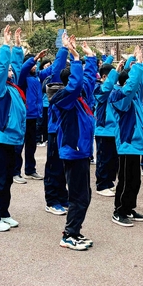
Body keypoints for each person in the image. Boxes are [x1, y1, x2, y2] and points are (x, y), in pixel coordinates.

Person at [51, 40, 96, 250]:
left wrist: (90, 57)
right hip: (73, 153)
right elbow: (77, 84)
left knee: (84, 196)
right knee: (78, 197)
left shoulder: (79, 98)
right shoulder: (63, 98)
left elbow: (86, 82)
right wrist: (76, 60)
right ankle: (69, 235)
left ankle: (75, 232)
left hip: (82, 153)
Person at [0, 26, 27, 232]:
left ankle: (3, 212)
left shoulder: (13, 87)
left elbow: (15, 65)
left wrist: (17, 46)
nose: (11, 71)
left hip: (12, 140)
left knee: (7, 180)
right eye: (7, 69)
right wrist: (5, 45)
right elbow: (2, 68)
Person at [108, 46, 143, 227]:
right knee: (125, 179)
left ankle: (130, 207)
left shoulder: (135, 97)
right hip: (127, 143)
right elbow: (132, 86)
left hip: (136, 143)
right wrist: (138, 65)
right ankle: (119, 210)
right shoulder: (118, 96)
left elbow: (142, 83)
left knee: (135, 179)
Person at [43, 38, 73, 216]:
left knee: (63, 167)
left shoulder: (72, 89)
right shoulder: (55, 87)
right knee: (54, 167)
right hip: (55, 131)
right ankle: (52, 200)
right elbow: (56, 70)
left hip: (65, 131)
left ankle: (62, 197)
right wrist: (64, 49)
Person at [16, 49, 51, 182]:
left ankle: (30, 170)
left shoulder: (37, 76)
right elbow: (24, 68)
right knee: (19, 145)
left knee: (31, 145)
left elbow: (50, 70)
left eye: (36, 65)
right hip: (24, 117)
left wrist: (64, 52)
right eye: (32, 64)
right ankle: (15, 172)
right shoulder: (22, 78)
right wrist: (35, 58)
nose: (35, 66)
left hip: (34, 117)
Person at [93, 56, 119, 197]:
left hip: (114, 130)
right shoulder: (98, 88)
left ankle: (110, 182)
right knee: (104, 159)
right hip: (103, 130)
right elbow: (105, 90)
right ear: (104, 77)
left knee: (114, 160)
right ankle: (102, 184)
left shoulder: (114, 89)